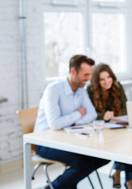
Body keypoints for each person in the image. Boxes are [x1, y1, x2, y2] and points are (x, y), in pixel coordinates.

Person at [34, 55, 109, 189]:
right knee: (83, 163)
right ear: (73, 72)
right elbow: (55, 124)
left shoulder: (81, 90)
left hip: (68, 139)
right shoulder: (53, 90)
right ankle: (53, 187)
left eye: (90, 74)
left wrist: (72, 121)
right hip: (45, 142)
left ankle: (67, 184)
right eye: (85, 74)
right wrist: (78, 113)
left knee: (104, 156)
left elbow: (91, 114)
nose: (88, 79)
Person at [87, 63, 132, 189]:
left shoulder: (117, 86)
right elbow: (90, 114)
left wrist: (116, 115)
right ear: (96, 81)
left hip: (118, 126)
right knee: (122, 144)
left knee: (125, 143)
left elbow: (125, 109)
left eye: (108, 77)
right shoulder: (90, 90)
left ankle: (120, 174)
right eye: (102, 79)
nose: (107, 82)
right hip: (100, 130)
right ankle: (127, 179)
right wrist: (103, 116)